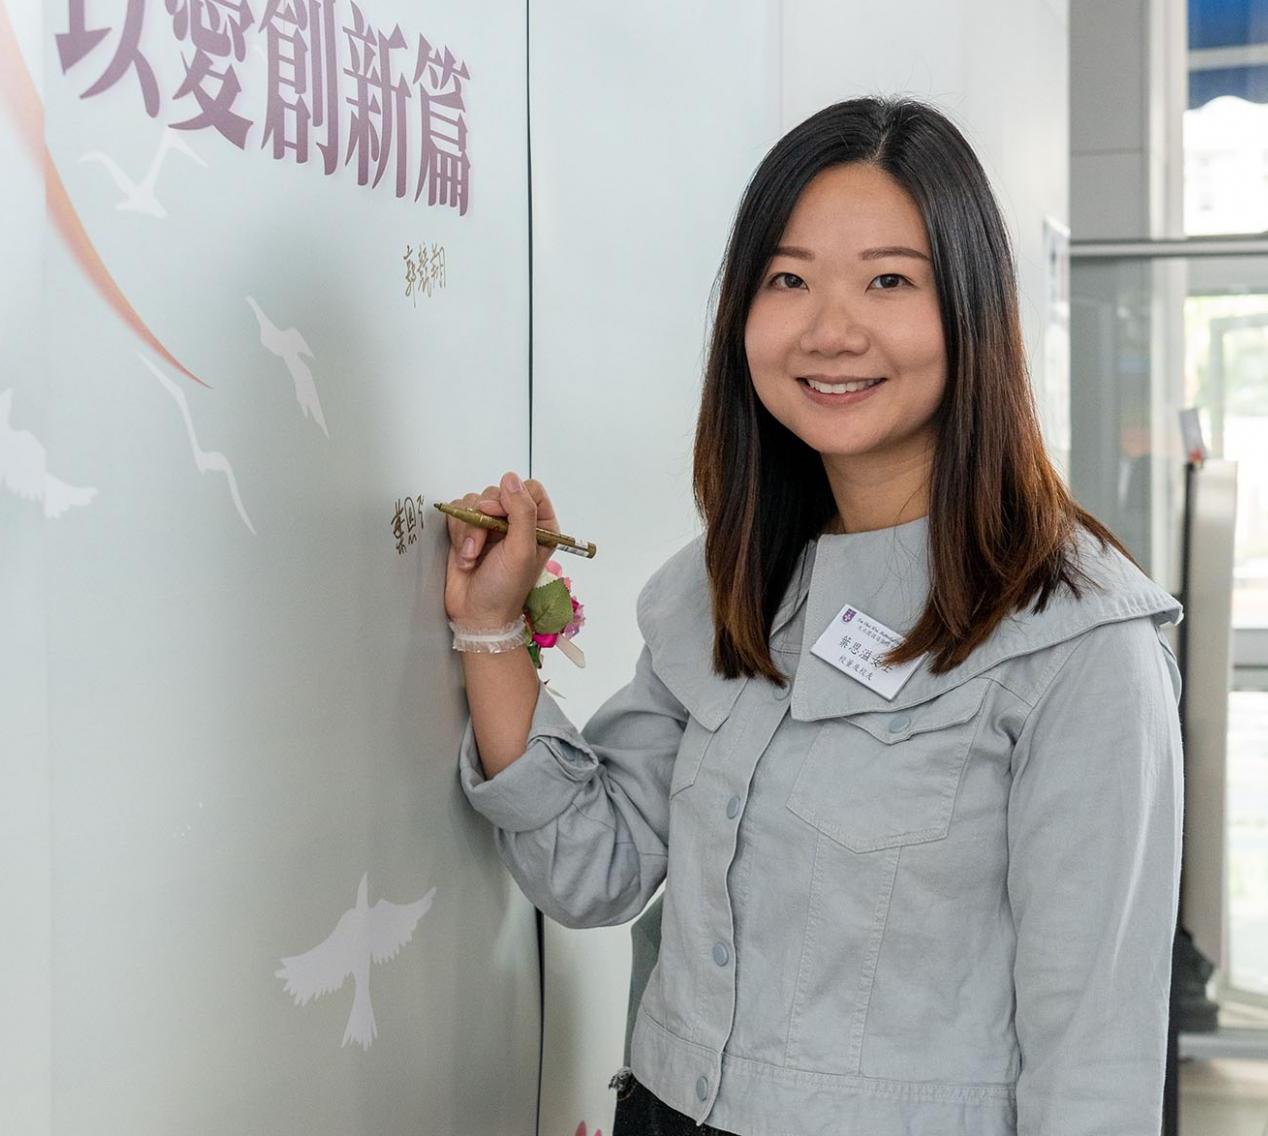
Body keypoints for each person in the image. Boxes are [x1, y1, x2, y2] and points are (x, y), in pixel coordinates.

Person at [444, 96, 1184, 1136]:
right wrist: (491, 631)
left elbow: (1094, 1068)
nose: (831, 331)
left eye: (890, 280)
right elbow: (593, 867)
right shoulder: (732, 581)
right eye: (788, 279)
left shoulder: (1079, 642)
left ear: (971, 311)